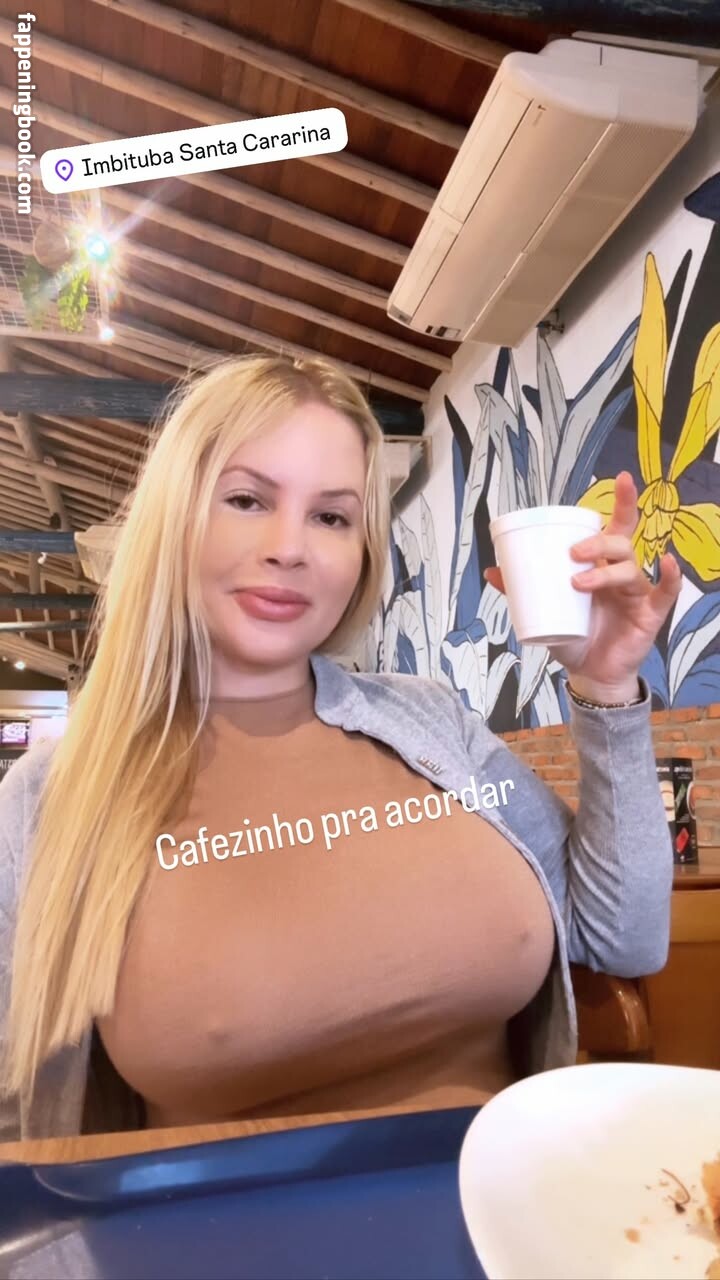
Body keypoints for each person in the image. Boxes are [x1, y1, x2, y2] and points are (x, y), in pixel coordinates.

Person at [0, 354, 681, 1141]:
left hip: (510, 1200)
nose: (289, 547)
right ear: (174, 521)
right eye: (248, 499)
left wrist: (606, 686)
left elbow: (623, 937)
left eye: (331, 517)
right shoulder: (49, 799)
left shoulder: (433, 722)